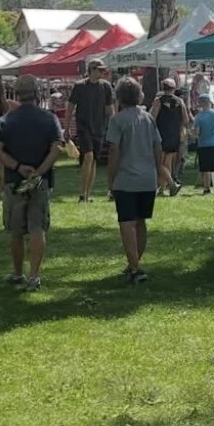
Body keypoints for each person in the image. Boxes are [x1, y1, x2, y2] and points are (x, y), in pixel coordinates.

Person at [0, 74, 64, 290]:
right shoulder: (50, 119)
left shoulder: (6, 120)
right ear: (38, 93)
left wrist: (17, 167)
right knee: (37, 228)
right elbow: (57, 148)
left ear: (17, 94)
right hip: (40, 183)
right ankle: (34, 276)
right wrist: (40, 171)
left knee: (15, 231)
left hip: (14, 181)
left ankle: (17, 273)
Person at [106, 76, 163, 284]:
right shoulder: (148, 118)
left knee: (126, 223)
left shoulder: (117, 120)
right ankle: (134, 263)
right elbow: (158, 146)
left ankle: (135, 268)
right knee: (141, 222)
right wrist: (158, 171)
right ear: (139, 95)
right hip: (147, 178)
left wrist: (110, 180)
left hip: (126, 179)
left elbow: (113, 151)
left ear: (119, 97)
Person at [69, 58, 115, 202]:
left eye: (103, 70)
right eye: (100, 69)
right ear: (92, 69)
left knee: (93, 160)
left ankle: (88, 194)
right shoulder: (80, 86)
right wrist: (67, 126)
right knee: (88, 157)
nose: (102, 72)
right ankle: (82, 194)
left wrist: (114, 126)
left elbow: (110, 109)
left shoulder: (106, 87)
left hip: (99, 128)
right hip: (84, 127)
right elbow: (70, 106)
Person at [151, 78, 190, 196]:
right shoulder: (180, 101)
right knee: (167, 162)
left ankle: (171, 184)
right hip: (174, 135)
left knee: (157, 162)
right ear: (174, 88)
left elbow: (152, 118)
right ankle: (163, 189)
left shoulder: (159, 100)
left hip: (161, 134)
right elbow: (186, 119)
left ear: (162, 87)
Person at [192, 93, 214, 194]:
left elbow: (197, 133)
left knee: (205, 168)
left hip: (204, 145)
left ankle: (207, 188)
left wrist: (191, 132)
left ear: (200, 103)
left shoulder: (198, 117)